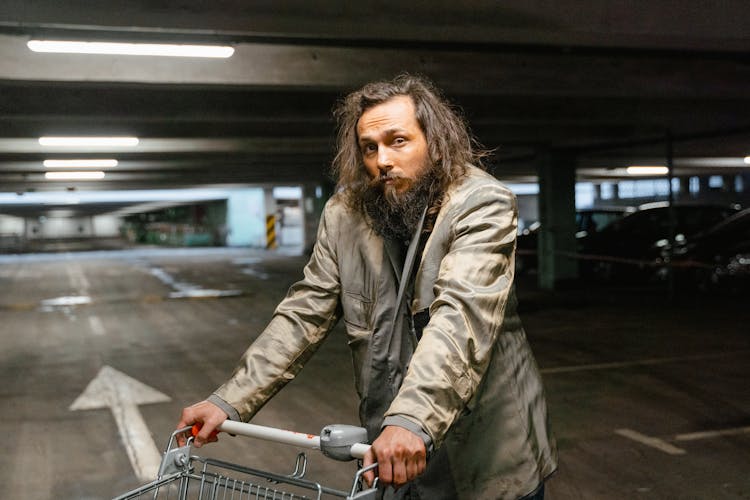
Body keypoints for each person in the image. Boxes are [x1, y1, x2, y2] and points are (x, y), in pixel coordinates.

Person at [177, 74, 557, 500]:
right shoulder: (345, 214)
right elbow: (304, 312)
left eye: (399, 141)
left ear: (436, 141)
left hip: (487, 452)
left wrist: (412, 419)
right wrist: (229, 401)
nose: (382, 160)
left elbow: (461, 319)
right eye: (369, 147)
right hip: (393, 453)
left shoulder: (482, 203)